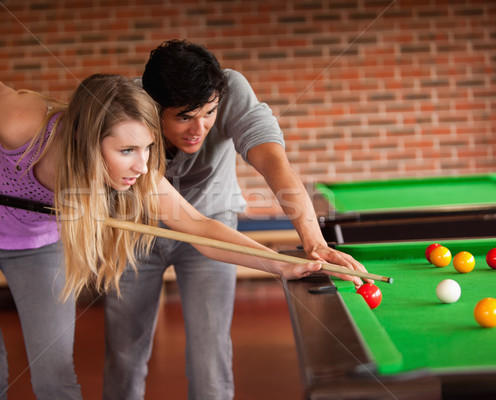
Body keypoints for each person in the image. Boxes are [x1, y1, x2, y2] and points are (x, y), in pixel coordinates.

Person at [0, 63, 354, 399]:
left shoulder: (138, 172)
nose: (143, 165)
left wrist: (287, 264)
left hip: (35, 244)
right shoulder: (22, 123)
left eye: (149, 149)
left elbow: (198, 226)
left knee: (54, 376)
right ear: (89, 140)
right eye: (128, 150)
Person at [103, 39, 368, 400]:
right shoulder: (128, 107)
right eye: (184, 116)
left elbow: (276, 165)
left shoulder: (230, 89)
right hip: (136, 232)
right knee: (124, 352)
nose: (199, 128)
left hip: (214, 226)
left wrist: (314, 241)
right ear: (154, 109)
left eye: (209, 113)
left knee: (210, 351)